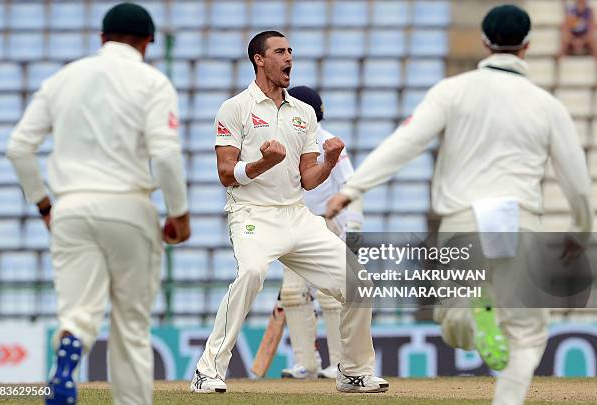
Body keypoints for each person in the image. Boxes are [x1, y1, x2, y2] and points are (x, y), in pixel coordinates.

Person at [326, 5, 592, 405]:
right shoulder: (547, 105)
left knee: (451, 322)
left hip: (464, 218)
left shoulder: (452, 90)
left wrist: (354, 187)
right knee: (528, 333)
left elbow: (407, 142)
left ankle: (471, 314)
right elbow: (578, 182)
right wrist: (581, 228)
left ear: (485, 43)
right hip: (521, 222)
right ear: (527, 46)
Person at [6, 3, 191, 405]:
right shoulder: (152, 82)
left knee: (78, 313)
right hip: (129, 207)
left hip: (71, 207)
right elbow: (164, 154)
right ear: (148, 42)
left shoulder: (62, 80)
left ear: (102, 38)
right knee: (131, 326)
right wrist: (180, 213)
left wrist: (44, 206)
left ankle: (72, 343)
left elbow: (19, 148)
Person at [190, 30, 387, 394]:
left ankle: (354, 371)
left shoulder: (304, 113)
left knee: (358, 282)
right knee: (252, 272)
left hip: (295, 214)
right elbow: (224, 174)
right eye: (279, 52)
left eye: (291, 51)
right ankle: (208, 370)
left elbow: (309, 179)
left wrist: (328, 162)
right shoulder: (235, 108)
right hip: (251, 213)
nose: (289, 58)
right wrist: (262, 164)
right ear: (259, 59)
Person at [278, 86, 363, 380]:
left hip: (328, 224)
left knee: (331, 295)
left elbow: (351, 187)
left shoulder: (329, 142)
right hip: (294, 223)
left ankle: (338, 363)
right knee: (292, 294)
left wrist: (353, 230)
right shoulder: (284, 142)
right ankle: (307, 364)